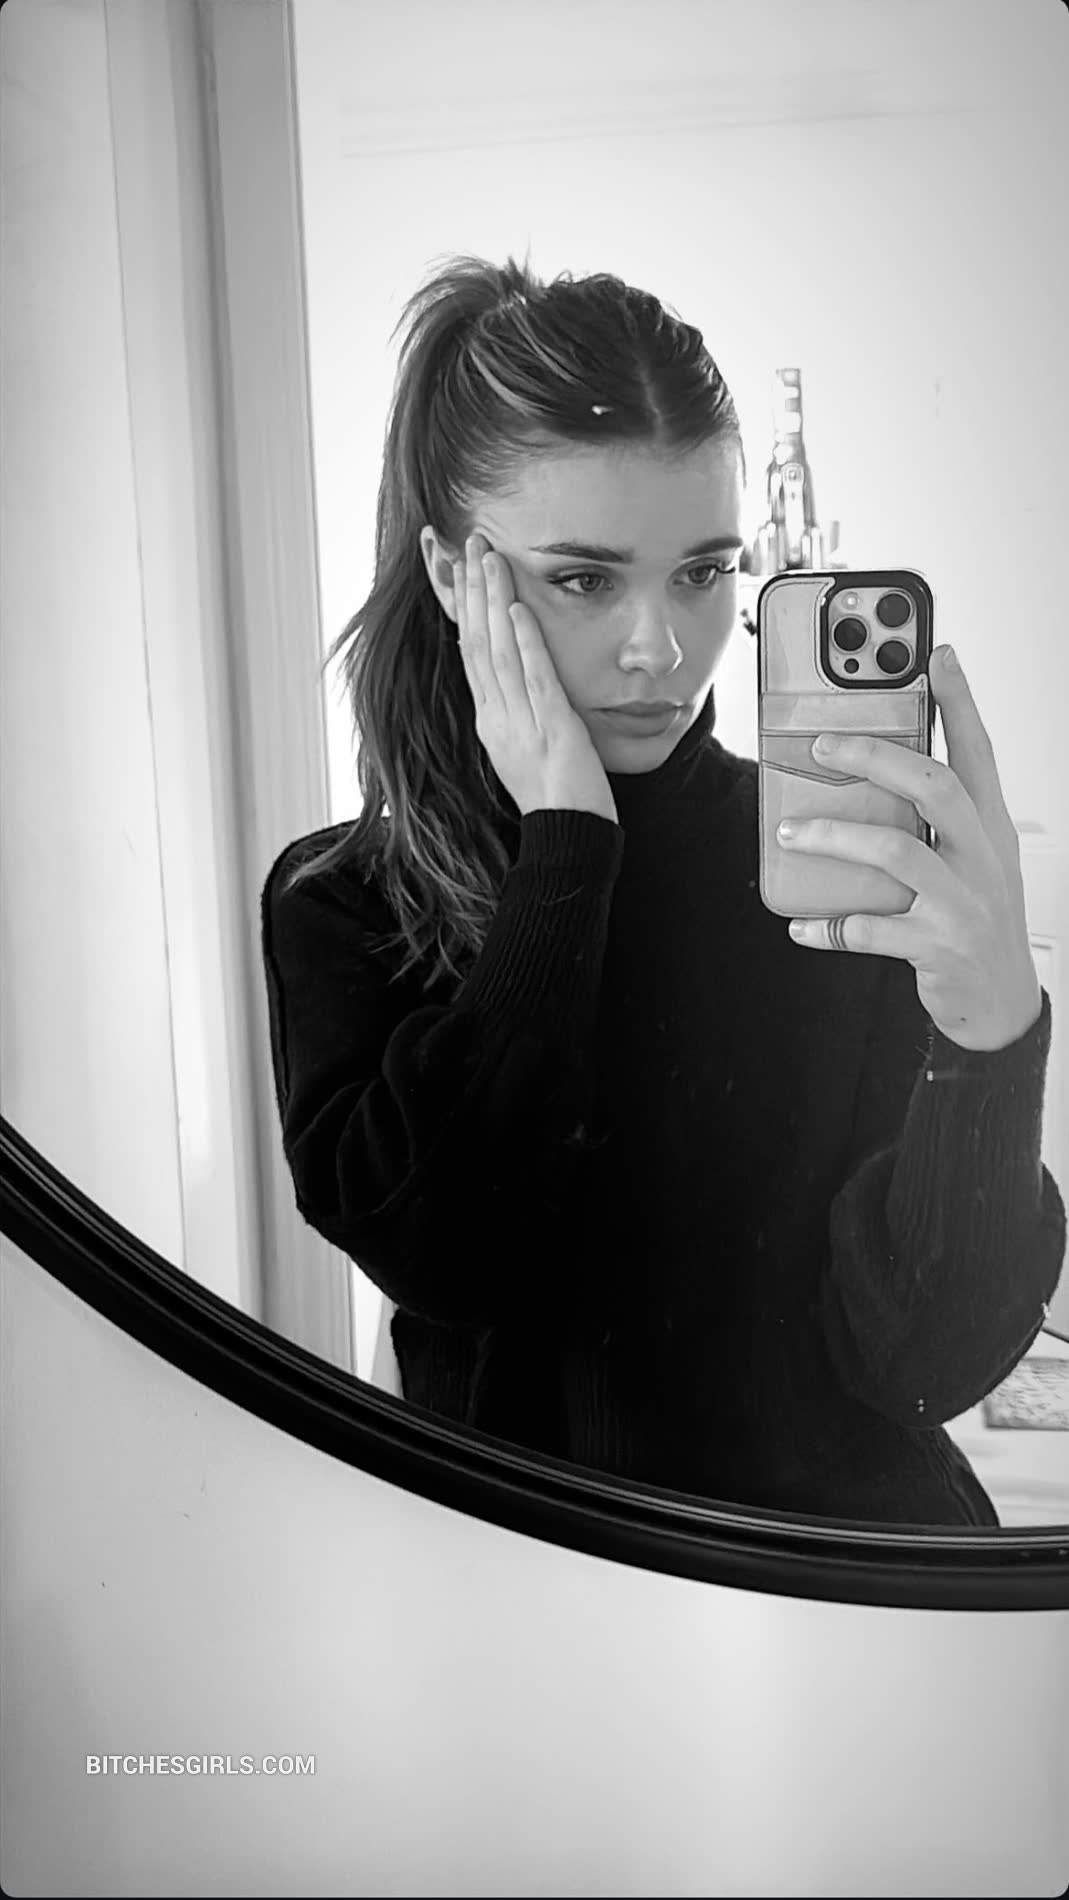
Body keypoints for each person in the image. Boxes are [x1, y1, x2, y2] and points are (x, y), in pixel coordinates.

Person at [260, 253, 1066, 1528]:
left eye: (702, 571)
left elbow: (924, 1364)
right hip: (526, 1595)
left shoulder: (835, 863)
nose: (664, 649)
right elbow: (447, 1258)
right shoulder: (346, 902)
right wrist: (564, 853)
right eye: (585, 578)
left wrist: (995, 1034)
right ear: (453, 571)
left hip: (851, 1597)